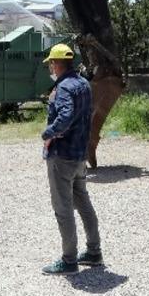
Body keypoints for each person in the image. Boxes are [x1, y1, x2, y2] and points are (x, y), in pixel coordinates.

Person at [41, 42, 103, 275]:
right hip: (79, 155)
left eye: (51, 63)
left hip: (62, 156)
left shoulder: (64, 87)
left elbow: (65, 116)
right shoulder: (84, 84)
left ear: (57, 64)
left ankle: (69, 260)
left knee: (63, 208)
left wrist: (49, 133)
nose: (50, 67)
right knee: (83, 203)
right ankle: (94, 251)